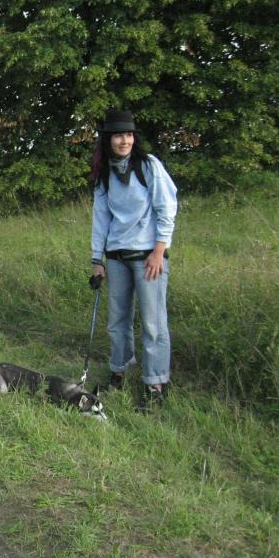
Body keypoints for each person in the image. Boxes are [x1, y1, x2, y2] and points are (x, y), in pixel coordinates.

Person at [90, 110, 178, 410]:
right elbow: (101, 218)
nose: (124, 140)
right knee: (118, 321)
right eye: (118, 135)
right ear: (108, 139)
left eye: (128, 135)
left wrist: (159, 250)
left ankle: (155, 384)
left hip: (147, 257)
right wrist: (97, 259)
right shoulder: (104, 173)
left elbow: (167, 206)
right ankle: (119, 372)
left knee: (153, 323)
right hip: (116, 256)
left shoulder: (148, 165)